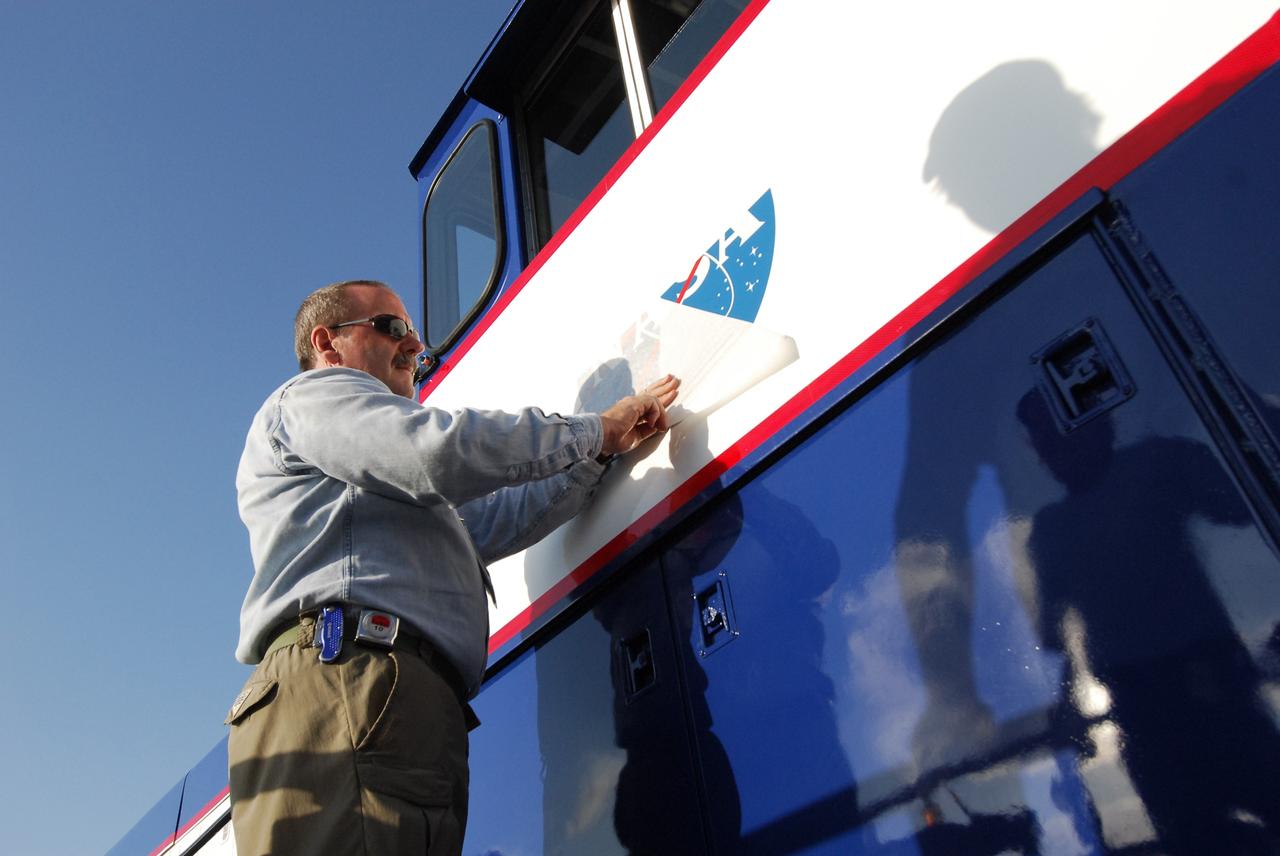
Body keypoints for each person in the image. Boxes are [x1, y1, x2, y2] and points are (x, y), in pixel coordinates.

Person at [225, 279, 679, 856]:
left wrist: (600, 452)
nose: (416, 346)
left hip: (391, 696)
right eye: (393, 328)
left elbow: (498, 522)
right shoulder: (314, 396)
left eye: (416, 335)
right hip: (348, 678)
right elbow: (435, 450)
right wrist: (594, 427)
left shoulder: (386, 483)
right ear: (328, 344)